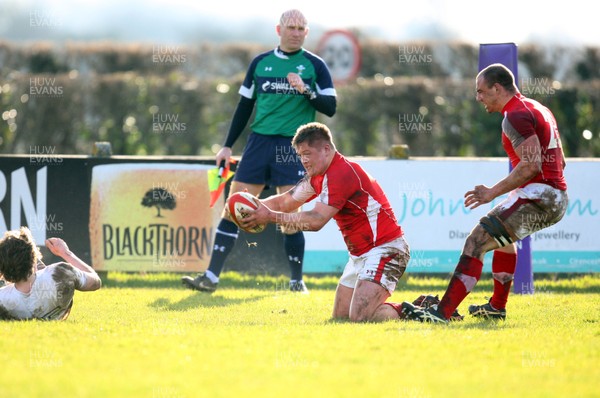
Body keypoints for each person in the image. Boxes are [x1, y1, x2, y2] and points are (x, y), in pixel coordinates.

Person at [182, 9, 336, 293]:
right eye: (291, 27)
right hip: (259, 143)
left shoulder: (315, 65)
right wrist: (227, 145)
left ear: (307, 32)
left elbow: (331, 108)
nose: (296, 32)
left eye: (302, 28)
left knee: (291, 214)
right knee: (233, 206)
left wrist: (306, 90)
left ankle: (296, 281)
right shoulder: (260, 63)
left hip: (293, 147)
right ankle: (210, 278)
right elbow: (244, 107)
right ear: (279, 30)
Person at [402, 63, 568, 323]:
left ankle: (441, 313)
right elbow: (558, 161)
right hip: (549, 194)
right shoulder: (537, 107)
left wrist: (492, 192)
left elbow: (531, 164)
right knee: (503, 241)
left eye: (481, 91)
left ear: (497, 88)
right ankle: (496, 307)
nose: (478, 97)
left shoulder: (514, 115)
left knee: (476, 241)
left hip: (541, 195)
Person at [238, 122, 411, 322]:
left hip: (386, 249)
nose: (303, 160)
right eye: (300, 155)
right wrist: (253, 206)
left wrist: (268, 217)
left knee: (360, 316)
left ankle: (422, 309)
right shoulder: (318, 176)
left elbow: (316, 221)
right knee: (341, 317)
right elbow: (285, 201)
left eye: (307, 153)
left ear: (326, 149)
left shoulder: (342, 172)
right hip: (360, 255)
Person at [0, 227, 102, 320]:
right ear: (33, 259)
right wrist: (66, 253)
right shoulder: (61, 273)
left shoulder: (3, 300)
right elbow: (96, 281)